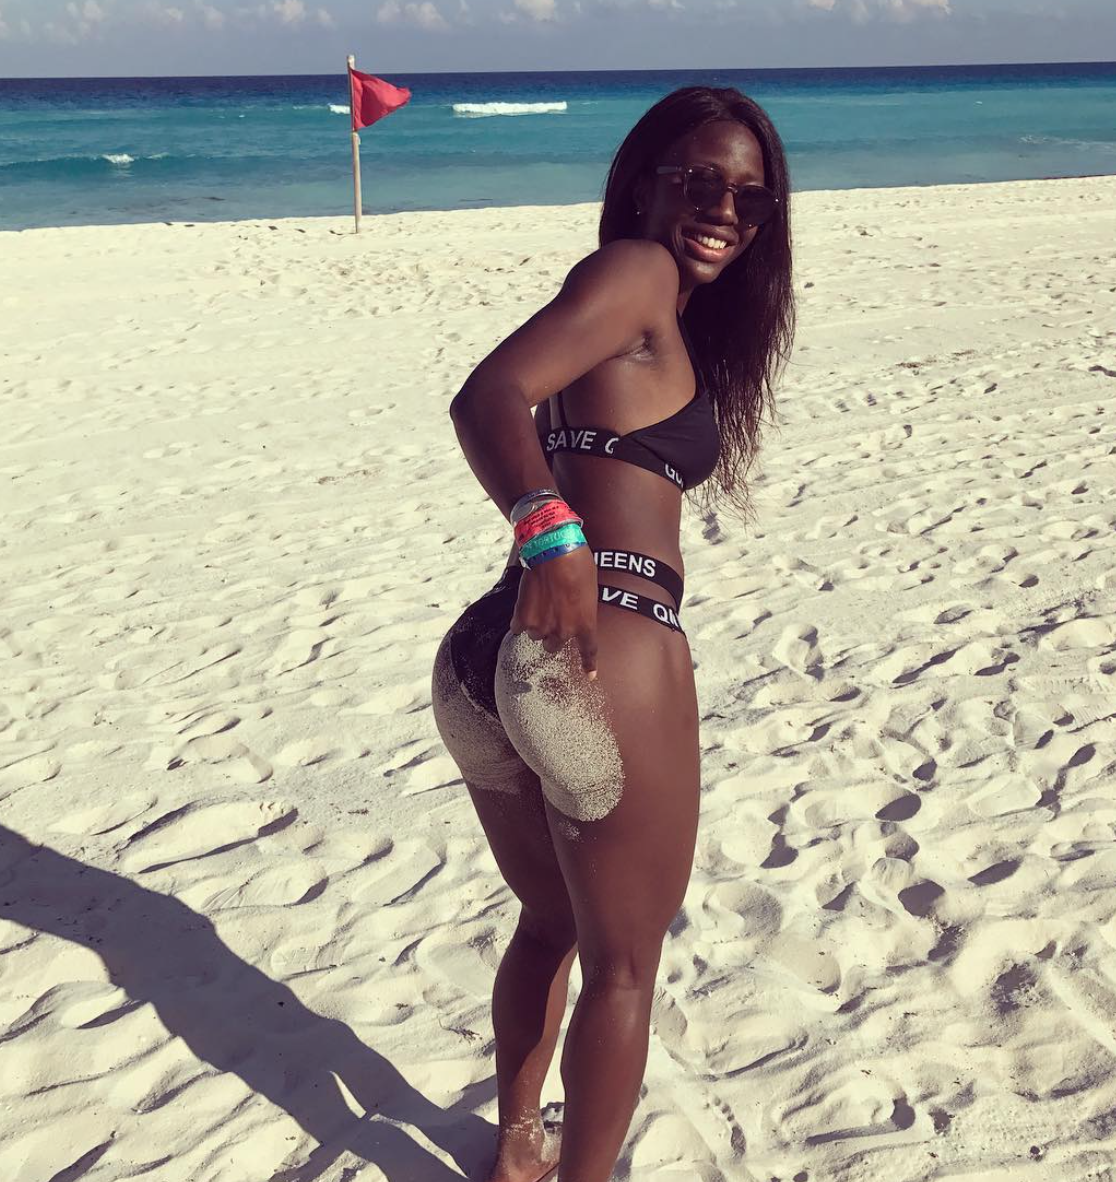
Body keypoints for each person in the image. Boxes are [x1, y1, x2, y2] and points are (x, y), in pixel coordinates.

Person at [431, 85, 795, 1182]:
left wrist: (547, 549)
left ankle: (518, 1147)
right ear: (644, 187)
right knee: (624, 968)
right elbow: (487, 395)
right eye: (701, 182)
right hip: (607, 641)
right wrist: (552, 535)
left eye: (750, 198)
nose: (725, 210)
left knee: (549, 919)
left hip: (488, 657)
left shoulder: (649, 313)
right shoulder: (632, 273)